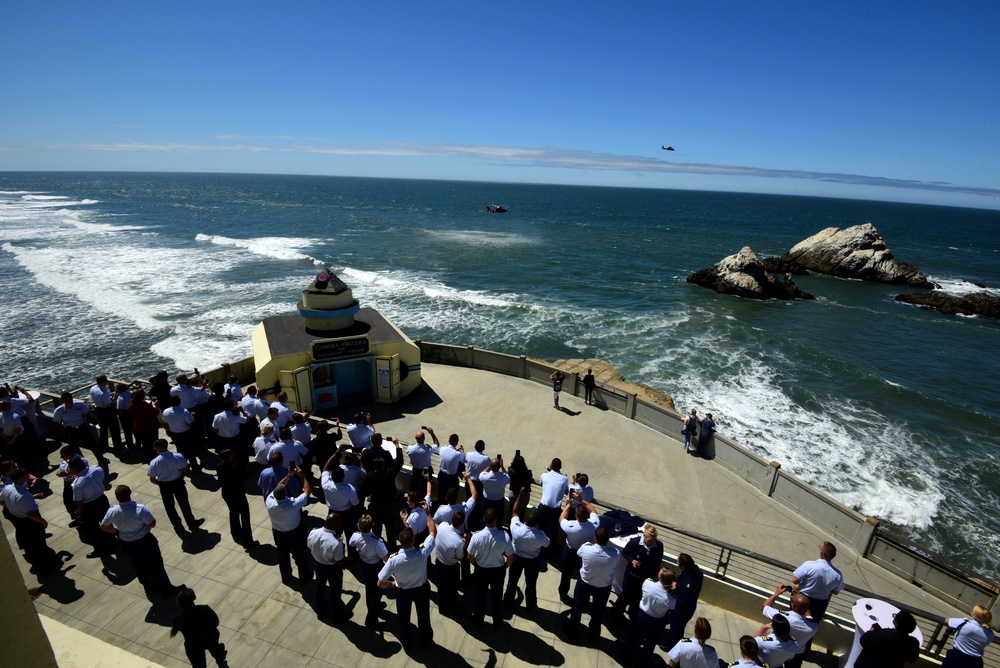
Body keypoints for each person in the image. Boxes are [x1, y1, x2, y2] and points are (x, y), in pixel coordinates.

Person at [100, 484, 179, 599]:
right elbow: (152, 524)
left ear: (117, 497)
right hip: (145, 541)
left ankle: (149, 589)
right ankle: (166, 589)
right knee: (156, 565)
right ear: (130, 494)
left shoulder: (112, 511)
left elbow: (104, 527)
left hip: (127, 544)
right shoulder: (139, 509)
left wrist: (117, 532)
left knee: (139, 566)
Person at [377, 517, 438, 652]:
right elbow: (433, 532)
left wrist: (392, 584)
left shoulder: (394, 560)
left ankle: (407, 642)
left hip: (403, 592)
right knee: (423, 617)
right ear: (413, 541)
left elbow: (380, 583)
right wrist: (427, 514)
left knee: (404, 619)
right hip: (421, 590)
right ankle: (425, 639)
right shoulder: (422, 553)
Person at [565, 525, 620, 642]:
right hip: (603, 587)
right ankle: (593, 635)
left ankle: (572, 632)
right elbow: (615, 553)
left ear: (595, 538)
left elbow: (579, 553)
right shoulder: (615, 554)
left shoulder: (586, 549)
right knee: (598, 612)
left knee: (577, 608)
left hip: (585, 583)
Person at [0, 467, 59, 571]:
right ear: (19, 480)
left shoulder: (8, 489)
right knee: (38, 543)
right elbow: (30, 513)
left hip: (19, 518)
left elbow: (3, 501)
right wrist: (42, 521)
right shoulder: (22, 496)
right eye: (25, 477)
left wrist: (14, 505)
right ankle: (46, 566)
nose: (28, 477)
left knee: (31, 543)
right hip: (30, 521)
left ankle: (37, 562)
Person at [265, 464, 313, 588]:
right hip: (295, 532)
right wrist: (302, 475)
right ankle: (304, 577)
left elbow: (279, 487)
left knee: (283, 556)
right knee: (301, 555)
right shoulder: (293, 504)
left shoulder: (269, 501)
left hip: (278, 533)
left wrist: (288, 475)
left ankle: (286, 577)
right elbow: (307, 492)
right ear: (286, 493)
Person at [504, 486, 550, 611]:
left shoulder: (517, 529)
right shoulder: (540, 536)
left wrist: (520, 494)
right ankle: (530, 605)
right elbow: (547, 544)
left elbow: (514, 512)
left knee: (512, 581)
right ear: (537, 523)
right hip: (533, 561)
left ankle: (508, 602)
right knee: (531, 583)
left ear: (525, 520)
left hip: (517, 558)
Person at [467, 507, 514, 628]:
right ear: (497, 520)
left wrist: (475, 565)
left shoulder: (476, 536)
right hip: (497, 572)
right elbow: (510, 558)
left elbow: (470, 555)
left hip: (481, 571)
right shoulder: (505, 536)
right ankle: (497, 622)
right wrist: (504, 567)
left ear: (483, 519)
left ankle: (478, 621)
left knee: (480, 598)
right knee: (497, 598)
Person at [147, 438, 204, 532]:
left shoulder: (154, 462)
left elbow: (152, 479)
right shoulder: (178, 456)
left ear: (160, 448)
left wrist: (161, 483)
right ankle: (191, 522)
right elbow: (186, 469)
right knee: (184, 503)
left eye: (155, 447)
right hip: (178, 482)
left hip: (164, 485)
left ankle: (176, 523)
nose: (154, 449)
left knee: (169, 506)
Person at [622, 567, 676, 663]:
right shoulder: (670, 600)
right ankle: (642, 663)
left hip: (641, 616)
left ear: (660, 577)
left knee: (632, 637)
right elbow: (673, 606)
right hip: (656, 622)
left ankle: (624, 656)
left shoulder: (647, 583)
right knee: (650, 644)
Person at [611, 524, 664, 620]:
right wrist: (632, 560)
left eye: (653, 541)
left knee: (637, 598)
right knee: (625, 595)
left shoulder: (659, 546)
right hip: (632, 575)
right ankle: (615, 614)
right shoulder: (635, 543)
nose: (651, 543)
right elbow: (625, 553)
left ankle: (632, 616)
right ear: (644, 536)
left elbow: (658, 561)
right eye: (649, 541)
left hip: (646, 578)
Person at [761, 584, 819, 668]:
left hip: (779, 650)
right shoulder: (814, 626)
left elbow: (764, 607)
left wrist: (776, 593)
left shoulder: (782, 617)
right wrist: (799, 596)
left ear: (793, 605)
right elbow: (808, 615)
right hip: (797, 653)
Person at [170, 586, 228, 668]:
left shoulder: (177, 619)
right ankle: (219, 657)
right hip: (210, 639)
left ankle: (218, 654)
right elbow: (216, 622)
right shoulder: (205, 609)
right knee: (214, 647)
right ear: (194, 598)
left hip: (193, 646)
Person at [557, 491, 599, 602]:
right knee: (583, 577)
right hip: (586, 553)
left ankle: (563, 593)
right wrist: (581, 500)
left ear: (576, 516)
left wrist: (569, 504)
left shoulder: (571, 526)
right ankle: (581, 597)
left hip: (570, 551)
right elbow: (593, 510)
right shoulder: (594, 525)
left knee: (566, 574)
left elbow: (561, 518)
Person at [307, 511, 349, 622]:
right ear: (338, 525)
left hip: (318, 565)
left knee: (319, 588)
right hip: (332, 569)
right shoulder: (336, 542)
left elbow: (309, 546)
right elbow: (340, 562)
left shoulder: (313, 532)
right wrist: (343, 551)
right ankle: (337, 615)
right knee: (335, 593)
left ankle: (320, 611)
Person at [349, 514, 389, 628]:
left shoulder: (356, 536)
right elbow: (385, 558)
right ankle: (371, 619)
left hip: (364, 565)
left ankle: (373, 606)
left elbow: (351, 544)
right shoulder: (377, 542)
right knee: (376, 592)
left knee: (369, 588)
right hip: (375, 567)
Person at [68, 457, 113, 558]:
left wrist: (78, 513)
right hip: (102, 499)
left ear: (75, 468)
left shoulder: (78, 484)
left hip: (89, 507)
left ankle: (101, 550)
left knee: (93, 530)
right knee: (107, 522)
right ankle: (113, 543)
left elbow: (78, 502)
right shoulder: (97, 469)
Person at [53, 391, 108, 471]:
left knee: (93, 444)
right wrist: (65, 432)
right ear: (62, 401)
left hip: (82, 427)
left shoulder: (80, 405)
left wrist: (86, 425)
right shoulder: (59, 410)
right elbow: (57, 423)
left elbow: (87, 414)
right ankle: (82, 464)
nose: (69, 402)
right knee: (75, 449)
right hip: (70, 429)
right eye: (66, 401)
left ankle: (101, 459)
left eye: (70, 400)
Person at [792, 541, 844, 621]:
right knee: (811, 625)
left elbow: (795, 580)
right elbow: (836, 592)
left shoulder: (809, 565)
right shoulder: (838, 574)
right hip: (820, 604)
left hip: (801, 599)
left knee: (793, 620)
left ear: (821, 553)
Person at [217, 449, 258, 550]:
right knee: (245, 516)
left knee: (233, 513)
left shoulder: (219, 467)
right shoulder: (235, 467)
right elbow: (244, 475)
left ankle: (236, 533)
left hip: (227, 493)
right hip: (238, 493)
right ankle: (248, 540)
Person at [854, 609, 920, 668]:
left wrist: (872, 632)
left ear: (897, 624)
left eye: (895, 617)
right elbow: (912, 659)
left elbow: (863, 640)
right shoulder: (913, 643)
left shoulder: (884, 634)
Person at [664, 553, 704, 649]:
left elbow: (684, 599)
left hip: (682, 610)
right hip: (688, 607)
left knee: (676, 629)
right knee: (678, 629)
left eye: (677, 561)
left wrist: (675, 588)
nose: (676, 562)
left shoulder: (689, 583)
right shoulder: (697, 572)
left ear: (682, 566)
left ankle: (673, 647)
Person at [433, 508, 468, 617]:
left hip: (438, 563)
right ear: (462, 524)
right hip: (451, 568)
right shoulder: (459, 542)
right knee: (451, 590)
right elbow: (460, 558)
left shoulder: (442, 526)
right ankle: (452, 607)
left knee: (441, 587)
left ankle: (442, 607)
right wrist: (465, 544)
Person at [537, 458, 569, 557]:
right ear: (560, 467)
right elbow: (566, 491)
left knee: (541, 530)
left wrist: (548, 469)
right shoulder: (564, 479)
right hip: (555, 510)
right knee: (553, 531)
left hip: (543, 508)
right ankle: (551, 551)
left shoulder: (545, 475)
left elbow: (541, 482)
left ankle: (540, 550)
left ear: (551, 465)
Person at [162, 395, 201, 473]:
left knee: (180, 450)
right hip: (186, 433)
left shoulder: (165, 411)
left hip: (174, 434)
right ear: (178, 402)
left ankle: (183, 466)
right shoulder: (184, 411)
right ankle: (194, 466)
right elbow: (191, 423)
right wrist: (192, 416)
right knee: (190, 450)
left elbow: (165, 424)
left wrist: (171, 430)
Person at [90, 375, 124, 451]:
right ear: (102, 382)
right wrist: (115, 397)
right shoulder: (104, 392)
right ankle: (117, 444)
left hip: (99, 410)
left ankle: (104, 445)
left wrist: (109, 394)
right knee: (114, 428)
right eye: (106, 382)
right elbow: (109, 404)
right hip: (108, 411)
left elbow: (101, 396)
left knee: (103, 429)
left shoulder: (93, 388)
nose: (106, 383)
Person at [464, 439, 492, 531]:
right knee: (478, 504)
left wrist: (462, 452)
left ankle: (468, 521)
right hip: (479, 484)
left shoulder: (469, 454)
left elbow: (466, 459)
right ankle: (475, 523)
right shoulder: (486, 458)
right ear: (483, 448)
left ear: (475, 447)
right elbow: (491, 465)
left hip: (469, 482)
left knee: (469, 501)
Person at [130, 388, 160, 464]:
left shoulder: (132, 404)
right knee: (154, 443)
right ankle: (155, 459)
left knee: (145, 445)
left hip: (139, 427)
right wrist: (153, 405)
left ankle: (148, 459)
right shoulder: (145, 405)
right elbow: (156, 412)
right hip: (150, 426)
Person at [436, 432, 465, 509]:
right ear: (457, 442)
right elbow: (464, 460)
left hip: (441, 476)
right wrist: (462, 451)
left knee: (441, 495)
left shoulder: (442, 449)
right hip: (451, 479)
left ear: (449, 441)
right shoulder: (457, 454)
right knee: (452, 498)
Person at [478, 456, 510, 527]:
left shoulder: (485, 477)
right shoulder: (503, 477)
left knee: (485, 518)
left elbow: (481, 474)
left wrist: (489, 467)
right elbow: (509, 477)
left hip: (487, 501)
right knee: (498, 520)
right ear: (499, 467)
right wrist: (502, 466)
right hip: (499, 502)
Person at [406, 426, 439, 493]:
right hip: (426, 471)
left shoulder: (410, 449)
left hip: (415, 470)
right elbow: (437, 444)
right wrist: (432, 433)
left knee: (414, 489)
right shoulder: (428, 449)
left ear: (415, 438)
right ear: (424, 438)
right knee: (425, 489)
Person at [114, 383, 135, 450]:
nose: (115, 390)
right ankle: (139, 442)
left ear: (120, 390)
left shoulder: (120, 398)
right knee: (134, 429)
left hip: (125, 414)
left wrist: (119, 414)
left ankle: (130, 444)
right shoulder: (130, 393)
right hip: (132, 412)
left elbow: (120, 410)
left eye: (117, 389)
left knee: (127, 430)